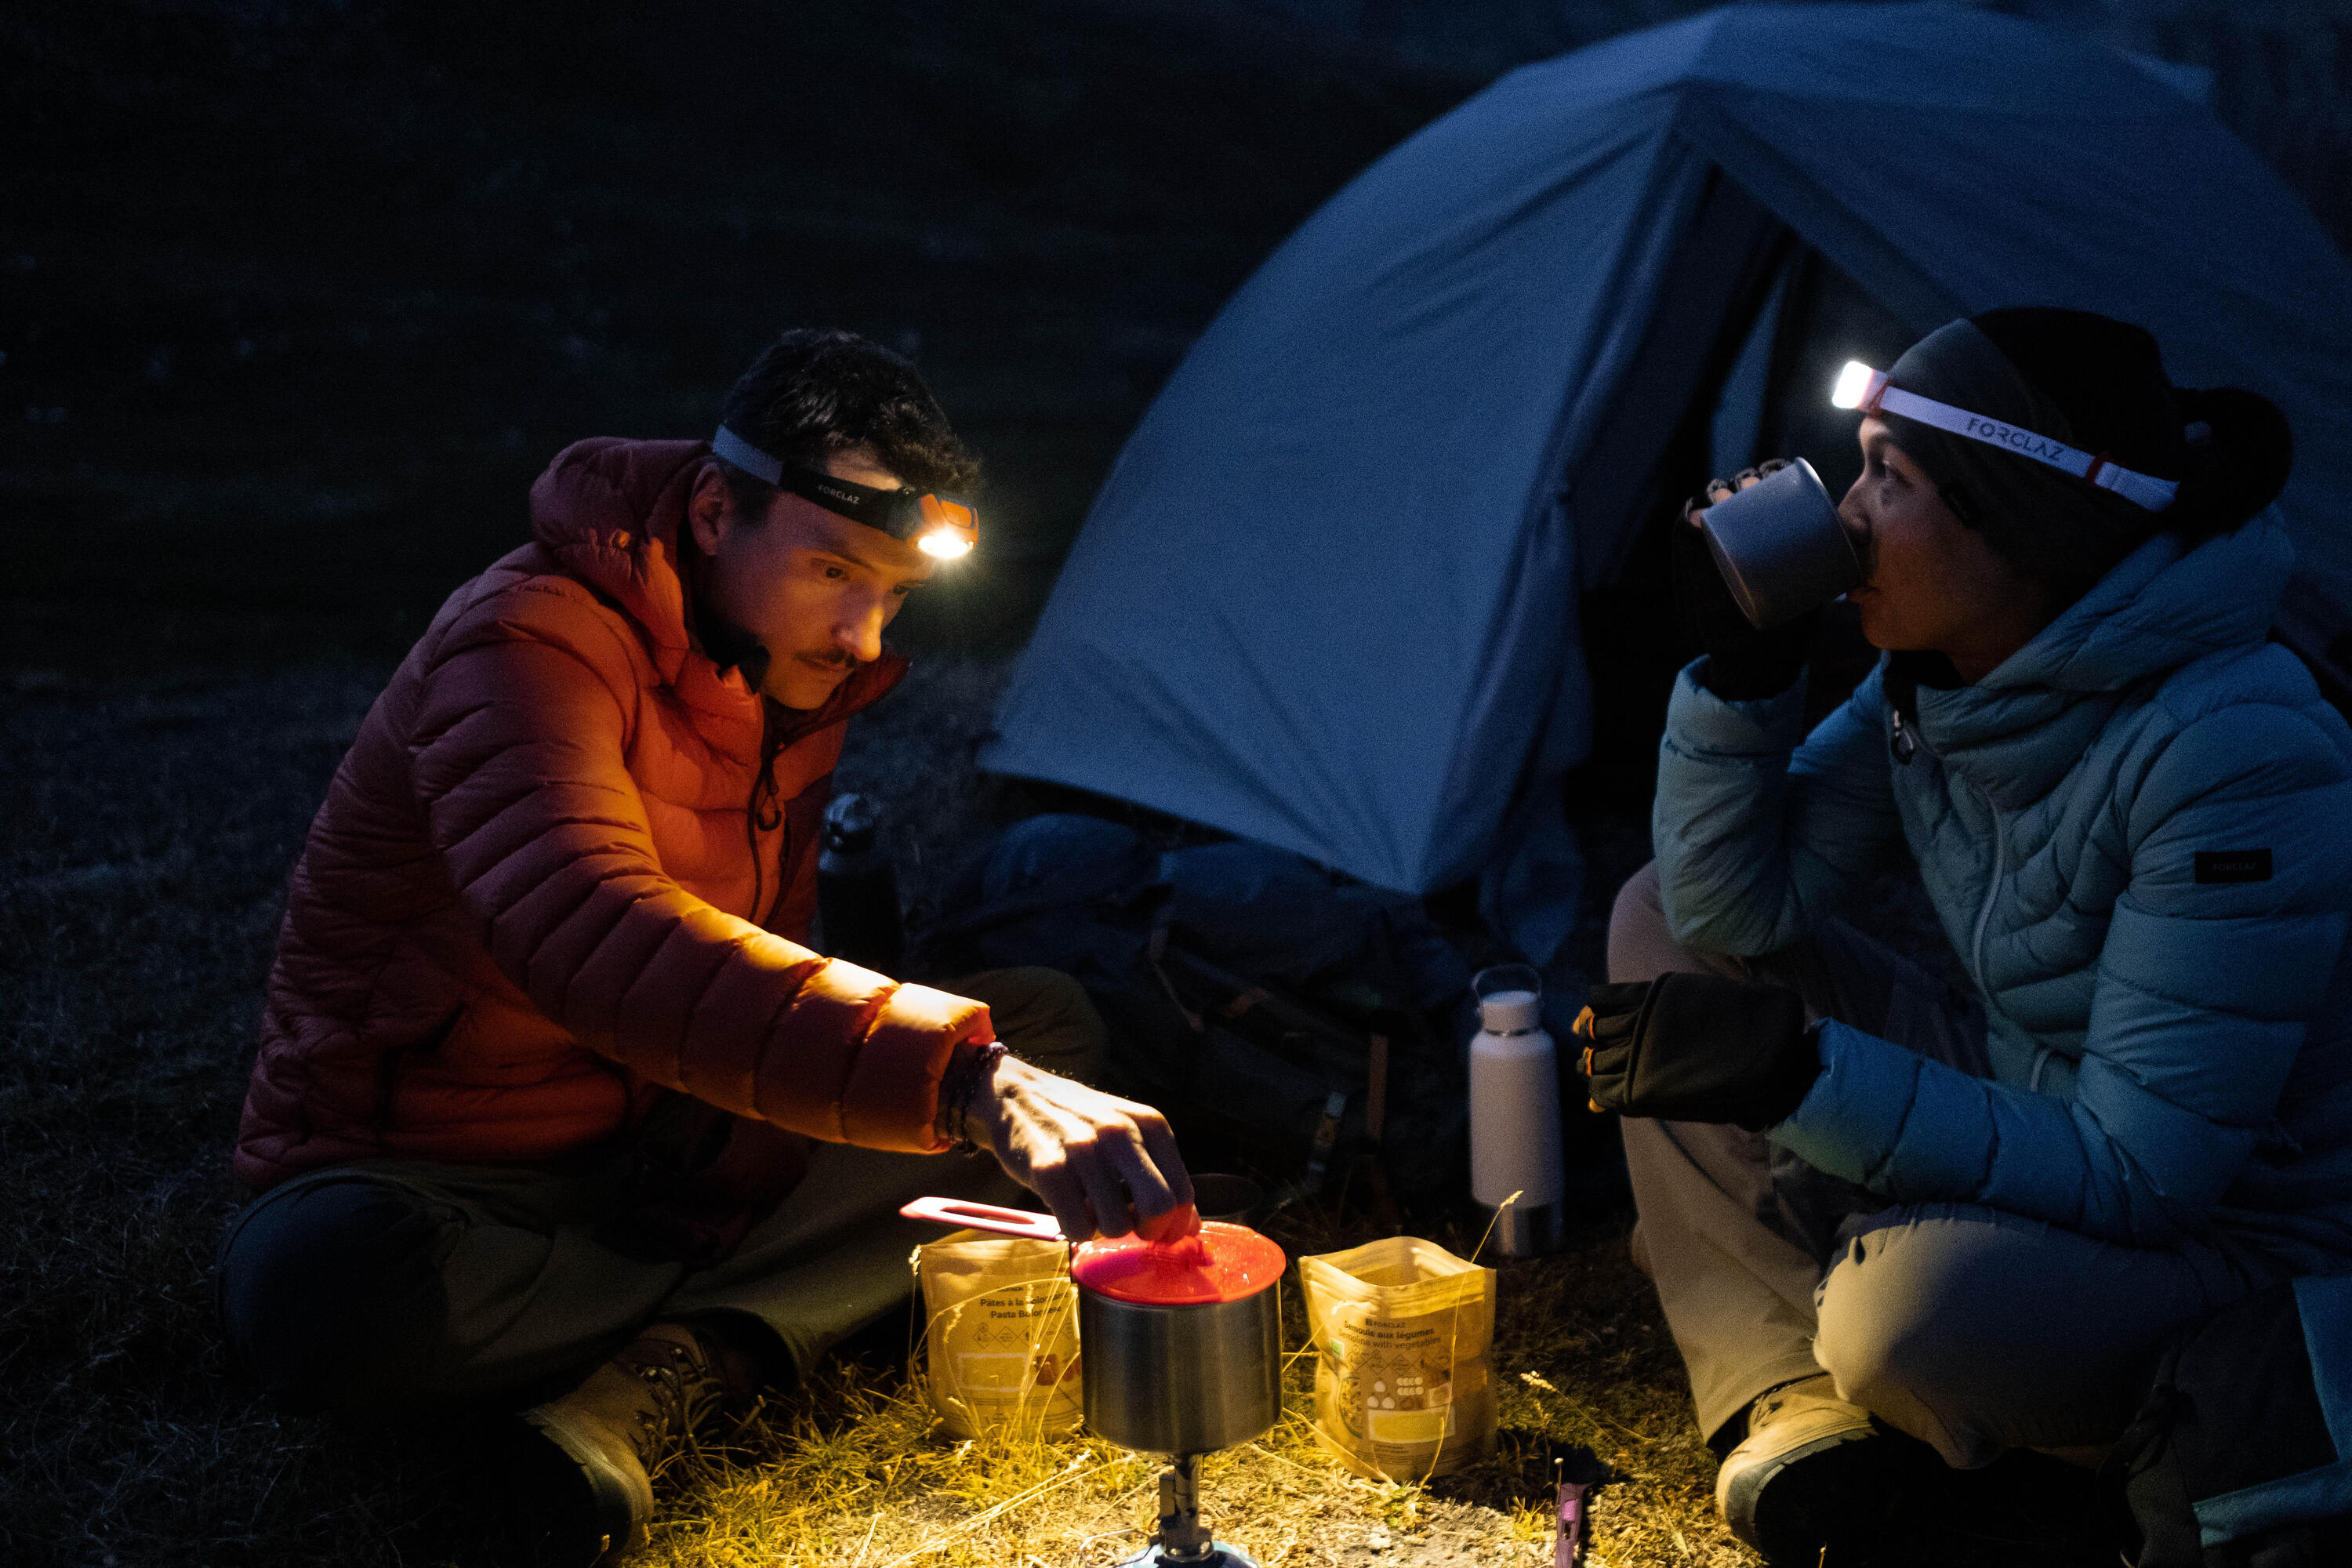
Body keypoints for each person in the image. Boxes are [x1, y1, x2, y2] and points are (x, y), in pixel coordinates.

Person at [215, 329, 1194, 1563]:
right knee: (327, 1293)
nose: (865, 637)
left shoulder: (788, 675)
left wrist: (871, 1100)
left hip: (660, 1147)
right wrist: (962, 1083)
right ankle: (757, 1310)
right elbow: (594, 931)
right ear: (718, 512)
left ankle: (664, 1368)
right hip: (441, 1182)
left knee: (1043, 1019)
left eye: (896, 594)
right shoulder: (527, 643)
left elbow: (750, 959)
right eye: (835, 570)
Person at [1576, 308, 2350, 1564]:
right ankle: (1792, 1403)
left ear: (2021, 518)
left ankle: (2065, 1435)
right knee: (1656, 915)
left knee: (1905, 1318)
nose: (1846, 518)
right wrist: (1745, 679)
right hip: (2043, 1106)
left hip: (2233, 1239)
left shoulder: (2235, 750)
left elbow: (2149, 1172)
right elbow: (1728, 912)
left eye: (1889, 477)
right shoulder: (1945, 681)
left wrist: (1798, 1076)